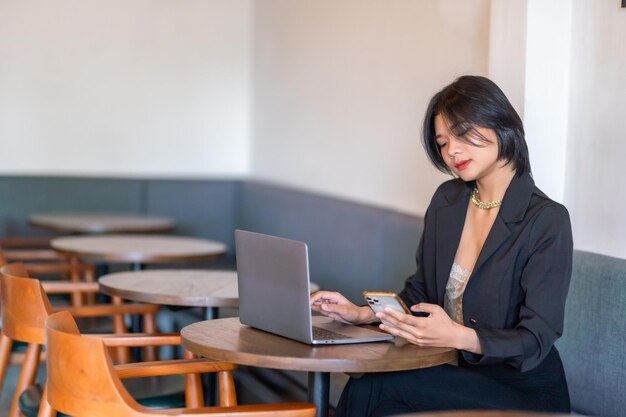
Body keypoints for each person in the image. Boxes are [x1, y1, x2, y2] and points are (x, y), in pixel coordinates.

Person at [310, 75, 573, 416]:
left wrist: (456, 336)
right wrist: (362, 314)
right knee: (368, 379)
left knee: (375, 387)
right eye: (443, 142)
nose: (452, 151)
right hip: (458, 374)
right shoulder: (448, 201)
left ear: (501, 122)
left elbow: (537, 337)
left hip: (523, 391)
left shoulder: (547, 220)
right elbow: (421, 292)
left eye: (463, 133)